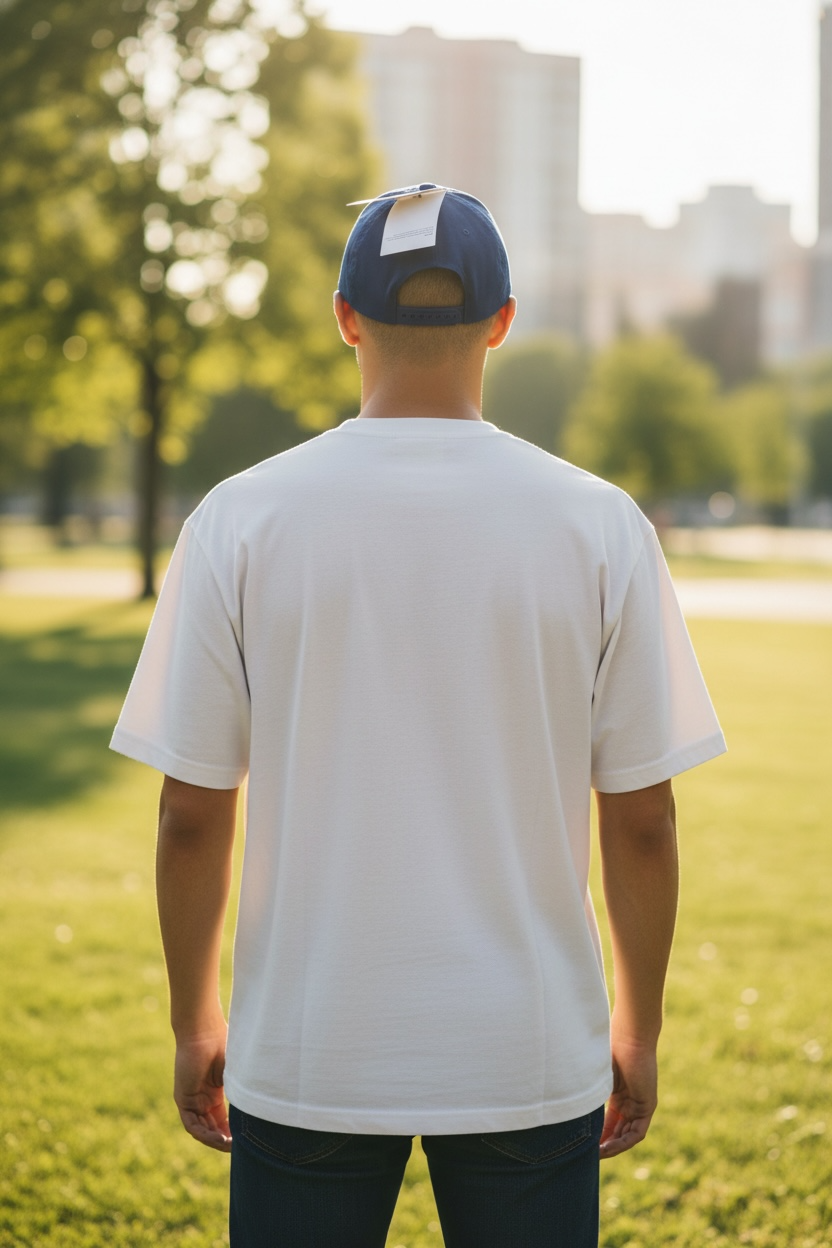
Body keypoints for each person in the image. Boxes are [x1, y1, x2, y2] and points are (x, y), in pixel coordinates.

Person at [111, 183, 726, 1248]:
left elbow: (191, 812)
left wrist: (193, 1022)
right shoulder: (600, 526)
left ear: (345, 316)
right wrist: (640, 1027)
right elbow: (642, 819)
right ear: (502, 321)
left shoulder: (239, 519)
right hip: (527, 1053)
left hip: (308, 1049)